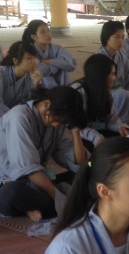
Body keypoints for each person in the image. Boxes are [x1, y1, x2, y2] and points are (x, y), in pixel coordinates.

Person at [0, 86, 86, 221]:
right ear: (46, 104)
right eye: (56, 120)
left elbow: (78, 162)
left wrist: (76, 132)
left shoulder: (57, 122)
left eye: (61, 123)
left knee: (83, 176)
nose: (57, 125)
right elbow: (28, 171)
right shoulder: (19, 116)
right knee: (11, 193)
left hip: (38, 182)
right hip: (9, 180)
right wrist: (61, 200)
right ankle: (61, 205)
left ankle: (35, 206)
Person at [72, 54, 129, 149]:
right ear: (101, 76)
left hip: (97, 133)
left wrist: (119, 127)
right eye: (112, 74)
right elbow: (76, 127)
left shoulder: (105, 92)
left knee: (123, 141)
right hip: (79, 136)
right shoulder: (77, 92)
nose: (115, 78)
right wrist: (96, 138)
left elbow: (111, 118)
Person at [97, 21, 129, 126]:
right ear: (106, 38)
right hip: (106, 97)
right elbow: (97, 88)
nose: (121, 41)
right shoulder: (99, 59)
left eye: (123, 37)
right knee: (123, 95)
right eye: (117, 37)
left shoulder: (123, 57)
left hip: (124, 94)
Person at [22, 19, 77, 87]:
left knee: (64, 69)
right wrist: (58, 64)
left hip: (61, 88)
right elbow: (37, 70)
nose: (48, 34)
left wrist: (48, 61)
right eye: (43, 32)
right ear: (34, 37)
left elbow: (72, 64)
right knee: (61, 67)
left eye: (48, 30)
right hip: (39, 88)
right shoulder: (28, 51)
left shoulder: (56, 48)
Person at [0, 42, 42, 115]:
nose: (34, 62)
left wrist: (36, 86)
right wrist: (13, 117)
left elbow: (29, 104)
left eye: (35, 57)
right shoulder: (1, 73)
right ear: (16, 61)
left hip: (17, 115)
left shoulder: (32, 77)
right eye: (29, 58)